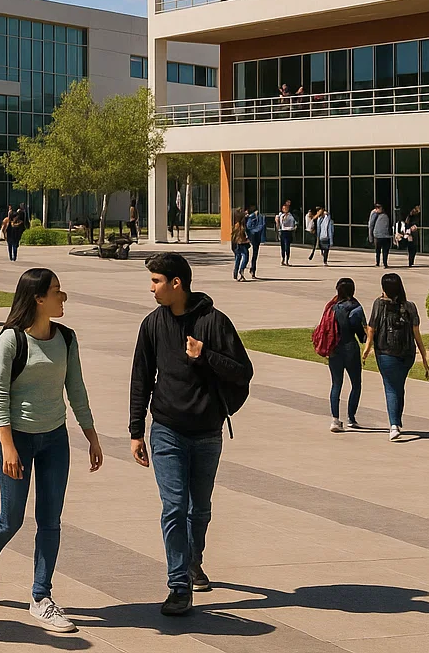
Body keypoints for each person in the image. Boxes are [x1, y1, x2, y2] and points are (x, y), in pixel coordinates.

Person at [0, 268, 101, 634]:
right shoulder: (11, 340)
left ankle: (41, 596)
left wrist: (91, 436)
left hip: (55, 440)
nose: (63, 298)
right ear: (38, 299)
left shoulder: (66, 338)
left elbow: (76, 389)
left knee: (50, 520)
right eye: (58, 292)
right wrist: (8, 446)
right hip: (18, 440)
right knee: (11, 518)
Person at [130, 252, 253, 617]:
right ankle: (179, 585)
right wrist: (137, 430)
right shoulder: (152, 324)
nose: (151, 287)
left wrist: (205, 355)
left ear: (176, 283)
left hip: (206, 433)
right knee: (174, 507)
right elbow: (141, 378)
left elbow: (243, 372)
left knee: (199, 509)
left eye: (156, 281)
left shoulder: (214, 323)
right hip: (166, 429)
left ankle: (192, 560)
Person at [364, 273, 429, 441]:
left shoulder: (379, 304)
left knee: (391, 387)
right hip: (407, 354)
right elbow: (416, 334)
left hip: (386, 353)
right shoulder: (410, 306)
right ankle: (397, 421)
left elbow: (371, 329)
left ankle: (394, 425)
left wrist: (366, 349)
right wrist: (423, 356)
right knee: (398, 386)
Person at [322, 277, 366, 432]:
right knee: (356, 384)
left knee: (336, 384)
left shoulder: (331, 306)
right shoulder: (355, 307)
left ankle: (335, 419)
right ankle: (351, 418)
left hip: (334, 349)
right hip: (350, 349)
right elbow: (360, 332)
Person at [243, 205, 265, 279]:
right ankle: (251, 269)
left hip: (251, 236)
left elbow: (249, 226)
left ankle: (250, 269)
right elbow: (261, 226)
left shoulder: (253, 216)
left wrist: (252, 232)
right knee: (253, 254)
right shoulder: (252, 216)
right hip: (254, 236)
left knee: (247, 253)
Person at [368, 202, 392, 268]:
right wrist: (371, 237)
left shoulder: (386, 214)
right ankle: (377, 262)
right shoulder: (374, 214)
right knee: (378, 250)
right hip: (378, 236)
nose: (380, 209)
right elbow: (371, 225)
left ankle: (385, 263)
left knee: (385, 251)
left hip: (386, 236)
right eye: (378, 208)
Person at [229, 210, 248, 282]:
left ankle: (235, 272)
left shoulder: (235, 225)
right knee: (245, 257)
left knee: (238, 258)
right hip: (241, 244)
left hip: (236, 244)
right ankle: (241, 270)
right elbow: (241, 237)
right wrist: (247, 240)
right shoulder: (241, 226)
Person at [276, 201, 296, 267]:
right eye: (283, 208)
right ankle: (283, 258)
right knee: (282, 246)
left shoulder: (291, 215)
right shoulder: (281, 215)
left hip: (289, 231)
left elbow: (294, 222)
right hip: (283, 231)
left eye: (286, 208)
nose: (285, 210)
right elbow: (278, 224)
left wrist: (294, 227)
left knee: (287, 246)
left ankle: (287, 260)